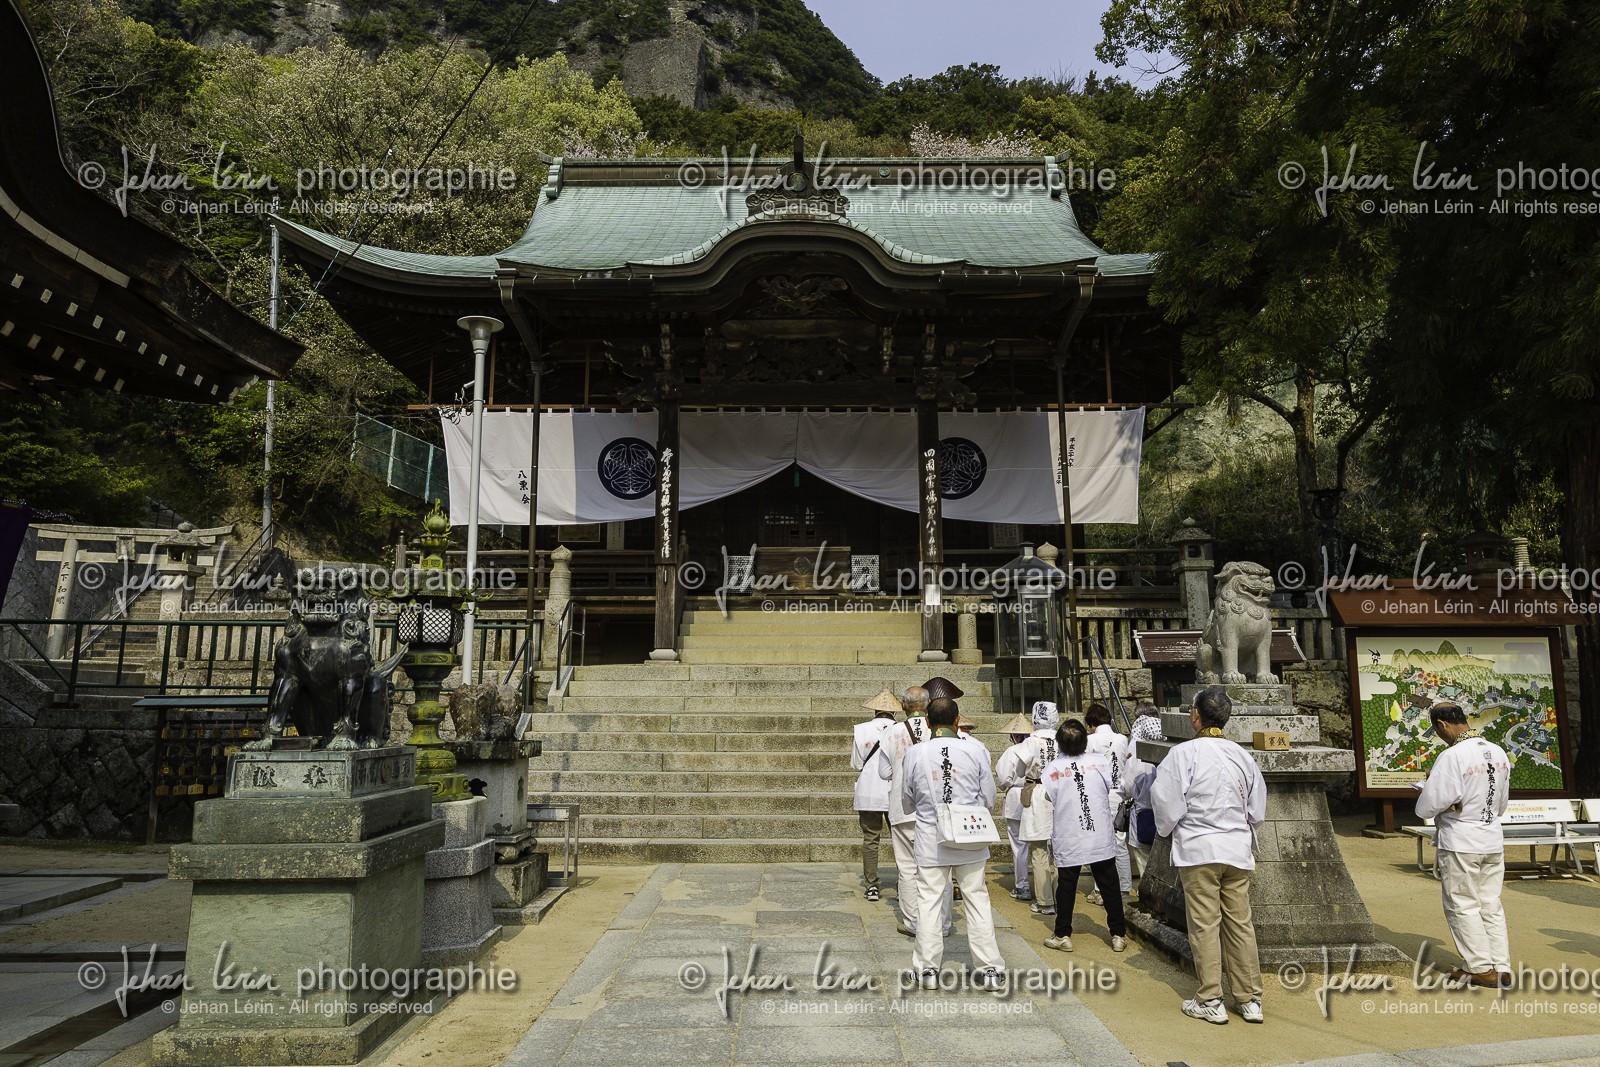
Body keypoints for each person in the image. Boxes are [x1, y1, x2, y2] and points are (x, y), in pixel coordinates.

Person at [1151, 686, 1267, 1025]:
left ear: (1195, 716)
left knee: (1204, 925)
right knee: (1240, 924)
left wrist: (1171, 828)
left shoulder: (1182, 754)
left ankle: (1211, 998)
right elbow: (1257, 808)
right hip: (1236, 849)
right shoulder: (1242, 755)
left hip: (1199, 848)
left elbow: (1166, 802)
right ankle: (1249, 999)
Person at [901, 696, 1004, 991]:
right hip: (970, 834)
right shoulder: (976, 749)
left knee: (929, 902)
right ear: (957, 721)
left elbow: (907, 801)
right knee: (977, 899)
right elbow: (988, 798)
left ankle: (927, 970)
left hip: (930, 838)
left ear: (928, 722)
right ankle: (990, 970)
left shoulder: (915, 753)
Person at [1414, 701, 1512, 988]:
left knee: (1462, 904)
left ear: (1442, 724)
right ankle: (1501, 965)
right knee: (1490, 904)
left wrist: (1430, 792)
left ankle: (1480, 967)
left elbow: (1427, 807)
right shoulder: (1498, 751)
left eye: (1437, 730)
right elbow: (1501, 804)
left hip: (1461, 840)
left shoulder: (1452, 755)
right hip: (1491, 837)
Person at [1041, 718, 1128, 953]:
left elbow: (1049, 796)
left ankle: (1062, 934)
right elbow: (1109, 787)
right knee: (1109, 884)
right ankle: (1118, 934)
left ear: (1060, 743)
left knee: (1067, 885)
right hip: (1098, 833)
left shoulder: (1053, 768)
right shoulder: (1099, 762)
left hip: (1070, 834)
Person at [878, 696, 953, 938]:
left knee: (908, 868)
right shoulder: (940, 730)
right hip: (938, 807)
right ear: (928, 703)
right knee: (942, 867)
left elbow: (884, 772)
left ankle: (912, 922)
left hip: (903, 808)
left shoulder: (892, 732)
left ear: (903, 706)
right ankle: (943, 923)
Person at [996, 700, 1060, 915]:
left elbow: (1019, 772)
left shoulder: (1029, 743)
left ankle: (1044, 900)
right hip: (1061, 792)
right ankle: (1061, 896)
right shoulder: (1064, 738)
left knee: (1038, 849)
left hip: (1036, 792)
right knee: (1060, 850)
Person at [852, 688, 900, 902]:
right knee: (901, 839)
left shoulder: (861, 730)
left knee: (871, 839)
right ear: (894, 712)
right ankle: (904, 883)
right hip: (895, 790)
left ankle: (871, 885)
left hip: (869, 790)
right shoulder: (902, 730)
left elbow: (856, 763)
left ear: (875, 711)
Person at [1084, 702, 1133, 900]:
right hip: (1118, 795)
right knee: (1119, 843)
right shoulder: (1122, 739)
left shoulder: (1090, 741)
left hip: (1098, 795)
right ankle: (1125, 888)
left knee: (1100, 844)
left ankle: (1100, 890)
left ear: (1092, 723)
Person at [995, 712, 1035, 900]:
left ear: (1014, 735)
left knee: (1019, 845)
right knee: (1041, 844)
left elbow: (1004, 778)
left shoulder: (1011, 751)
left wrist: (1005, 786)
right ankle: (1046, 887)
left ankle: (1022, 886)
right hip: (1039, 793)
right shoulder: (1038, 748)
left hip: (1017, 794)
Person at [1125, 706, 1165, 879]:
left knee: (1144, 862)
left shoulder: (1136, 752)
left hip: (1143, 812)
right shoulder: (1167, 748)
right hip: (1165, 813)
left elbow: (1128, 787)